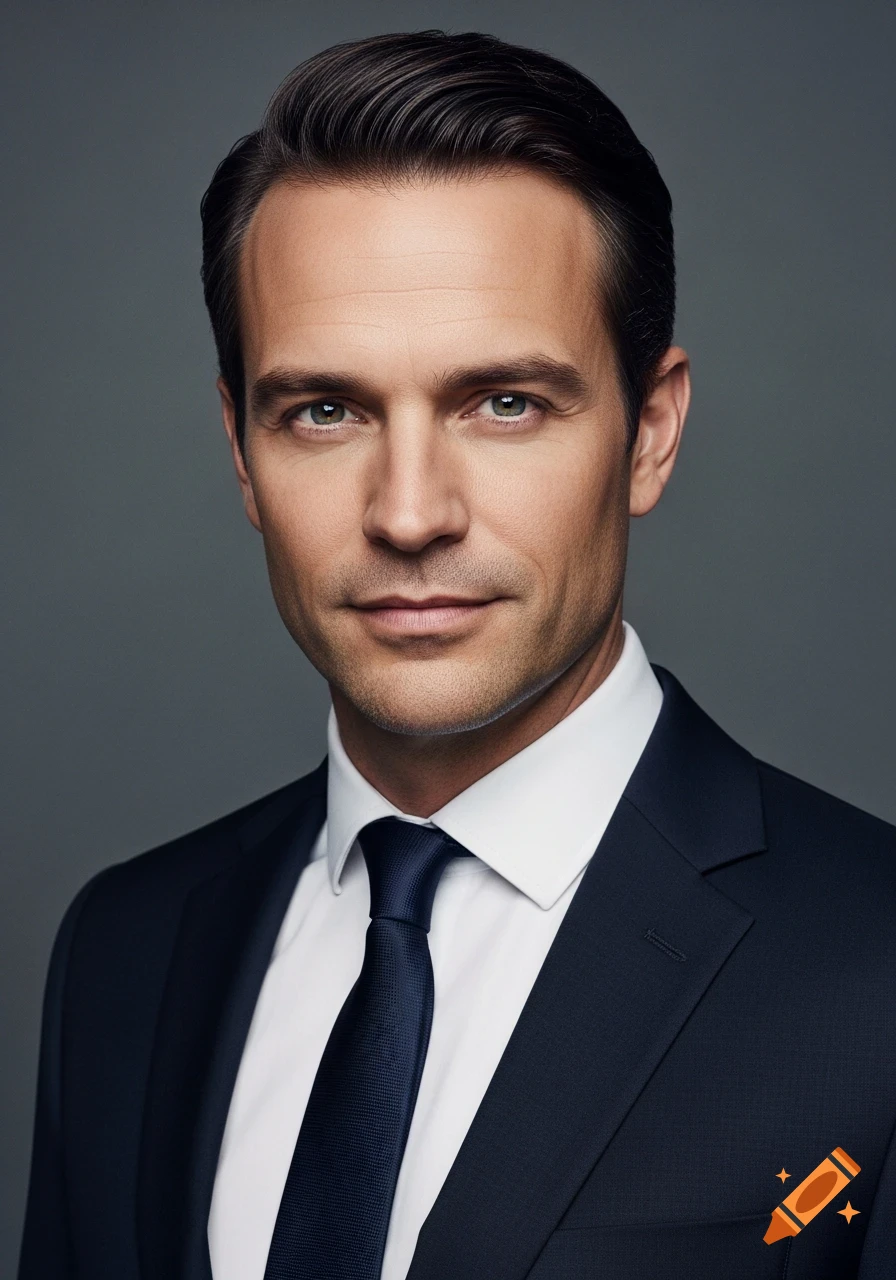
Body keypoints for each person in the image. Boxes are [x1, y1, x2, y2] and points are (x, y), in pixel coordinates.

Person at [17, 28, 896, 1280]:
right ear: (239, 448)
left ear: (648, 434)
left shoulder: (874, 963)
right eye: (324, 409)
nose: (410, 510)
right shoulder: (124, 946)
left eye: (505, 403)